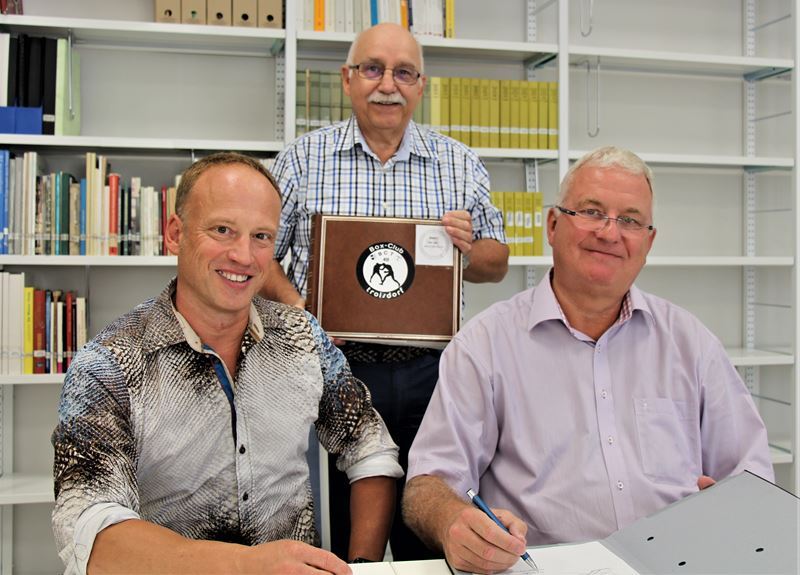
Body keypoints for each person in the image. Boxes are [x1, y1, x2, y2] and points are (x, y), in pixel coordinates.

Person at [402, 146, 774, 574]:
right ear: (553, 225)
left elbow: (753, 480)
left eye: (630, 220)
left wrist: (734, 513)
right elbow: (429, 484)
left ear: (648, 241)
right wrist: (453, 523)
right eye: (592, 212)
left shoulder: (692, 345)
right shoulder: (483, 345)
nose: (609, 232)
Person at [51, 152, 402, 575]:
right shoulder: (109, 365)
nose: (244, 255)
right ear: (175, 233)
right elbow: (93, 537)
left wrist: (361, 565)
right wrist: (246, 565)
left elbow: (372, 451)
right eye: (222, 230)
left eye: (261, 237)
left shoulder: (302, 337)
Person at [262, 23, 509, 561]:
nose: (387, 84)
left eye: (404, 72)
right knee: (340, 527)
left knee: (428, 518)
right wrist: (302, 310)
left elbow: (497, 262)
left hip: (433, 374)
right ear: (347, 80)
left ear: (421, 85)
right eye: (372, 69)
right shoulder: (300, 161)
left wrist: (470, 247)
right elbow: (261, 257)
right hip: (331, 371)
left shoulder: (459, 162)